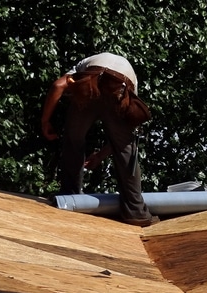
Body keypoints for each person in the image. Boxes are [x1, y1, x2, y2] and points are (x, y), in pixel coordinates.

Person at [41, 52, 157, 226]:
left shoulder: (82, 65)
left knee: (73, 140)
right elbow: (123, 138)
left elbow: (58, 85)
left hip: (89, 83)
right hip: (121, 87)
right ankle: (135, 213)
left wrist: (45, 121)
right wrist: (102, 155)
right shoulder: (130, 77)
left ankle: (70, 198)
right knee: (127, 152)